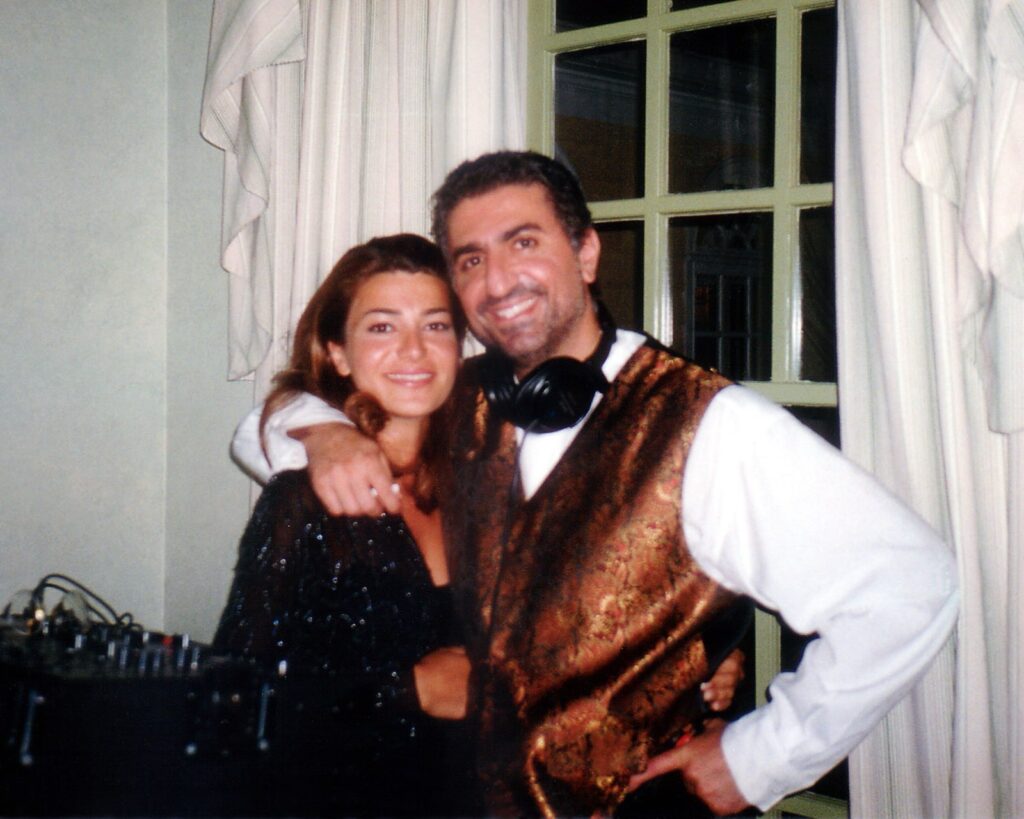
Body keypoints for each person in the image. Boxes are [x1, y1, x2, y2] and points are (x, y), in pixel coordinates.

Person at [231, 152, 959, 816]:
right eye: (472, 259)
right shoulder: (466, 400)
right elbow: (278, 429)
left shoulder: (710, 423)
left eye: (524, 243)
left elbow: (908, 585)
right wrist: (322, 431)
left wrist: (759, 757)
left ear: (585, 252)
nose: (498, 281)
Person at [213, 234, 480, 817]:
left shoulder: (489, 486)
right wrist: (408, 689)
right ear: (338, 353)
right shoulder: (302, 503)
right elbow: (235, 697)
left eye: (436, 326)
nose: (414, 350)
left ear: (459, 347)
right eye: (382, 327)